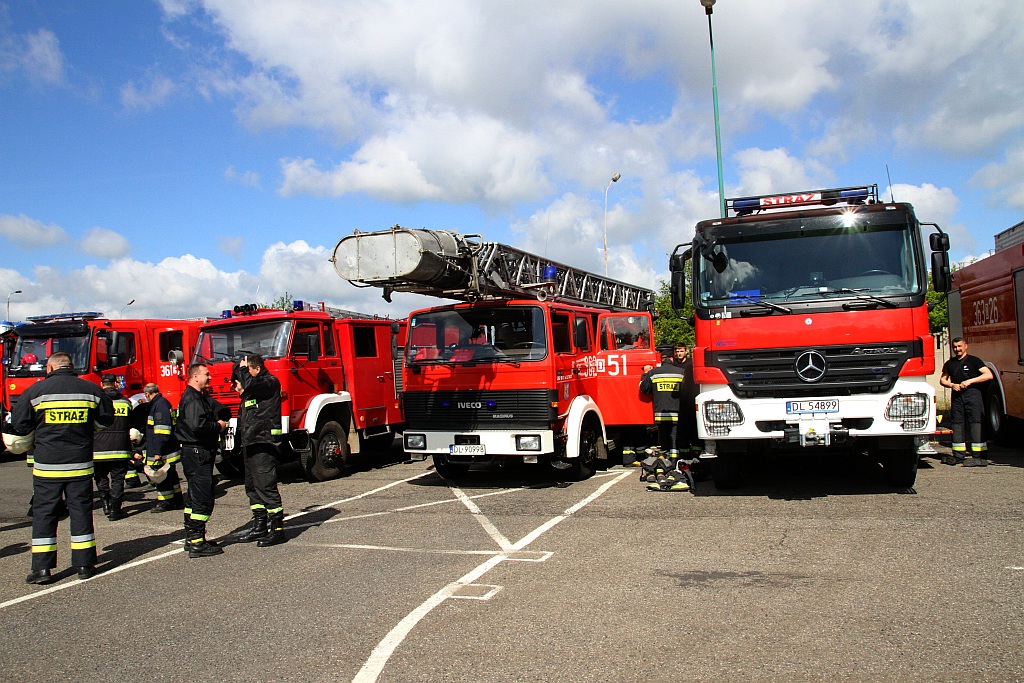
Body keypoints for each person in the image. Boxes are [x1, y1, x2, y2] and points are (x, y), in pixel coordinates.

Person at [10, 351, 114, 584]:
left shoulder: (36, 392)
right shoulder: (90, 390)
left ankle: (42, 570)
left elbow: (19, 424)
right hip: (80, 464)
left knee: (45, 514)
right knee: (81, 512)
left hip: (48, 466)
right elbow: (105, 419)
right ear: (70, 366)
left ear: (50, 368)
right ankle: (85, 564)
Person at [174, 363, 228, 558]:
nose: (210, 378)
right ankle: (197, 541)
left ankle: (193, 537)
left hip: (194, 452)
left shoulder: (195, 397)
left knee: (194, 496)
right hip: (198, 451)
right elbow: (199, 425)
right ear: (195, 376)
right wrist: (218, 426)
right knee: (202, 496)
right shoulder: (193, 399)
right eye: (206, 374)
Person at [233, 353, 287, 547]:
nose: (237, 385)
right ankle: (260, 525)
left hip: (264, 442)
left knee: (265, 485)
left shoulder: (268, 382)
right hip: (251, 442)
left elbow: (250, 386)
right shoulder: (252, 388)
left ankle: (277, 530)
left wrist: (242, 370)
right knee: (252, 487)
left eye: (246, 372)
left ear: (255, 369)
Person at [940, 337, 994, 466]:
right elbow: (942, 380)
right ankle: (958, 455)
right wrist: (951, 385)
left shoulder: (974, 361)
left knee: (976, 423)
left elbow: (988, 375)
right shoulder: (950, 363)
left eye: (959, 346)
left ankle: (979, 456)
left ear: (965, 346)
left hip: (973, 395)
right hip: (957, 397)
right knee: (957, 424)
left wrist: (970, 381)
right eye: (955, 347)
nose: (957, 349)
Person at [93, 374, 133, 521]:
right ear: (116, 384)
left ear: (101, 384)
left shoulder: (96, 402)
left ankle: (105, 504)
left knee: (101, 477)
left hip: (98, 449)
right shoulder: (125, 402)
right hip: (120, 448)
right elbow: (130, 424)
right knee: (118, 479)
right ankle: (115, 509)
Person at [639, 344, 689, 459]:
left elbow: (644, 389)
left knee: (663, 439)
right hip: (676, 414)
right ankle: (674, 460)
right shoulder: (681, 372)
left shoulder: (653, 373)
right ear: (672, 358)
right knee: (674, 438)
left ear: (661, 359)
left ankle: (665, 461)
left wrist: (645, 374)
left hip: (660, 414)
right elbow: (686, 392)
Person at [144, 383, 183, 512]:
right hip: (168, 448)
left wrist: (157, 451)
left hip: (163, 450)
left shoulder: (159, 405)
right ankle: (177, 499)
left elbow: (162, 431)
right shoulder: (162, 403)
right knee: (171, 475)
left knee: (161, 476)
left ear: (148, 394)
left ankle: (165, 501)